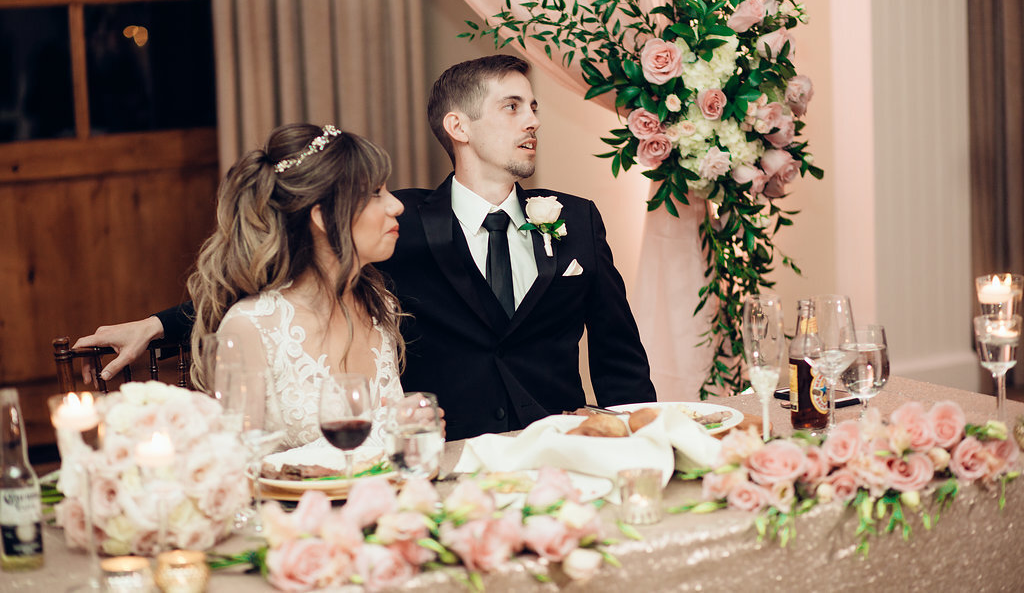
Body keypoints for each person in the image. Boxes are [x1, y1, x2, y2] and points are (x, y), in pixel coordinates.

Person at [76, 55, 656, 440]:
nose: (532, 120)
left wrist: (639, 439)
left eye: (533, 107)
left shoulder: (575, 219)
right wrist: (157, 324)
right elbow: (280, 285)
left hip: (559, 456)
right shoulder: (393, 226)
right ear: (458, 125)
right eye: (512, 106)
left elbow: (618, 352)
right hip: (447, 464)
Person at [185, 123, 406, 448]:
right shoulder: (251, 327)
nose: (396, 205)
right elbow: (239, 466)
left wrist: (409, 433)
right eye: (375, 193)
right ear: (323, 217)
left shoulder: (379, 305)